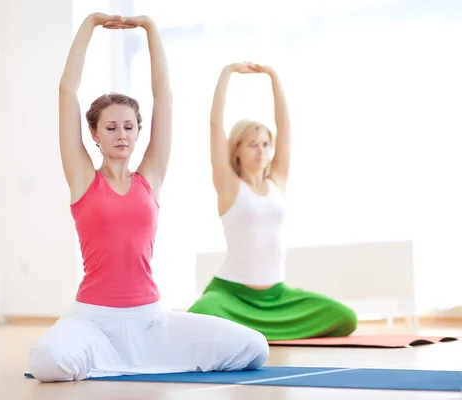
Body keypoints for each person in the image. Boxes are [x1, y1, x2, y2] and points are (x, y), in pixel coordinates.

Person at [27, 15, 269, 383]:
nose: (121, 134)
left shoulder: (150, 177)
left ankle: (120, 363)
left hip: (151, 321)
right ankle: (103, 358)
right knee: (46, 361)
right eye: (110, 127)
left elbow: (164, 98)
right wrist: (90, 24)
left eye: (129, 126)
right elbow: (66, 92)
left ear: (139, 131)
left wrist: (151, 30)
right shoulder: (82, 179)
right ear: (93, 133)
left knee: (255, 347)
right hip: (93, 319)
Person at [187, 62, 358, 341]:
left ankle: (252, 332)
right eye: (252, 144)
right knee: (200, 313)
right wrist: (226, 73)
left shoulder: (277, 180)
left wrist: (274, 76)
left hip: (278, 297)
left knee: (346, 318)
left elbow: (285, 125)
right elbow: (215, 124)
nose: (261, 150)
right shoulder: (229, 185)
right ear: (237, 149)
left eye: (266, 144)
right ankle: (245, 329)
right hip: (232, 294)